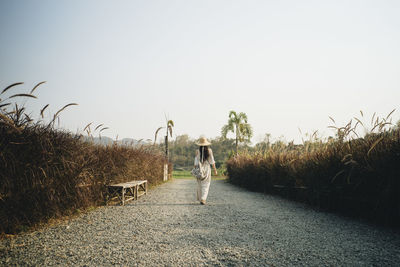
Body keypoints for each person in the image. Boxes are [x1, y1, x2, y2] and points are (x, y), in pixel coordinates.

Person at [194, 136, 217, 205]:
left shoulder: (197, 151)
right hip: (207, 168)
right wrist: (215, 170)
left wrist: (195, 169)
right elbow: (212, 161)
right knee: (206, 184)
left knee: (199, 184)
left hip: (199, 168)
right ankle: (203, 199)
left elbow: (196, 161)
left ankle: (201, 197)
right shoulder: (209, 151)